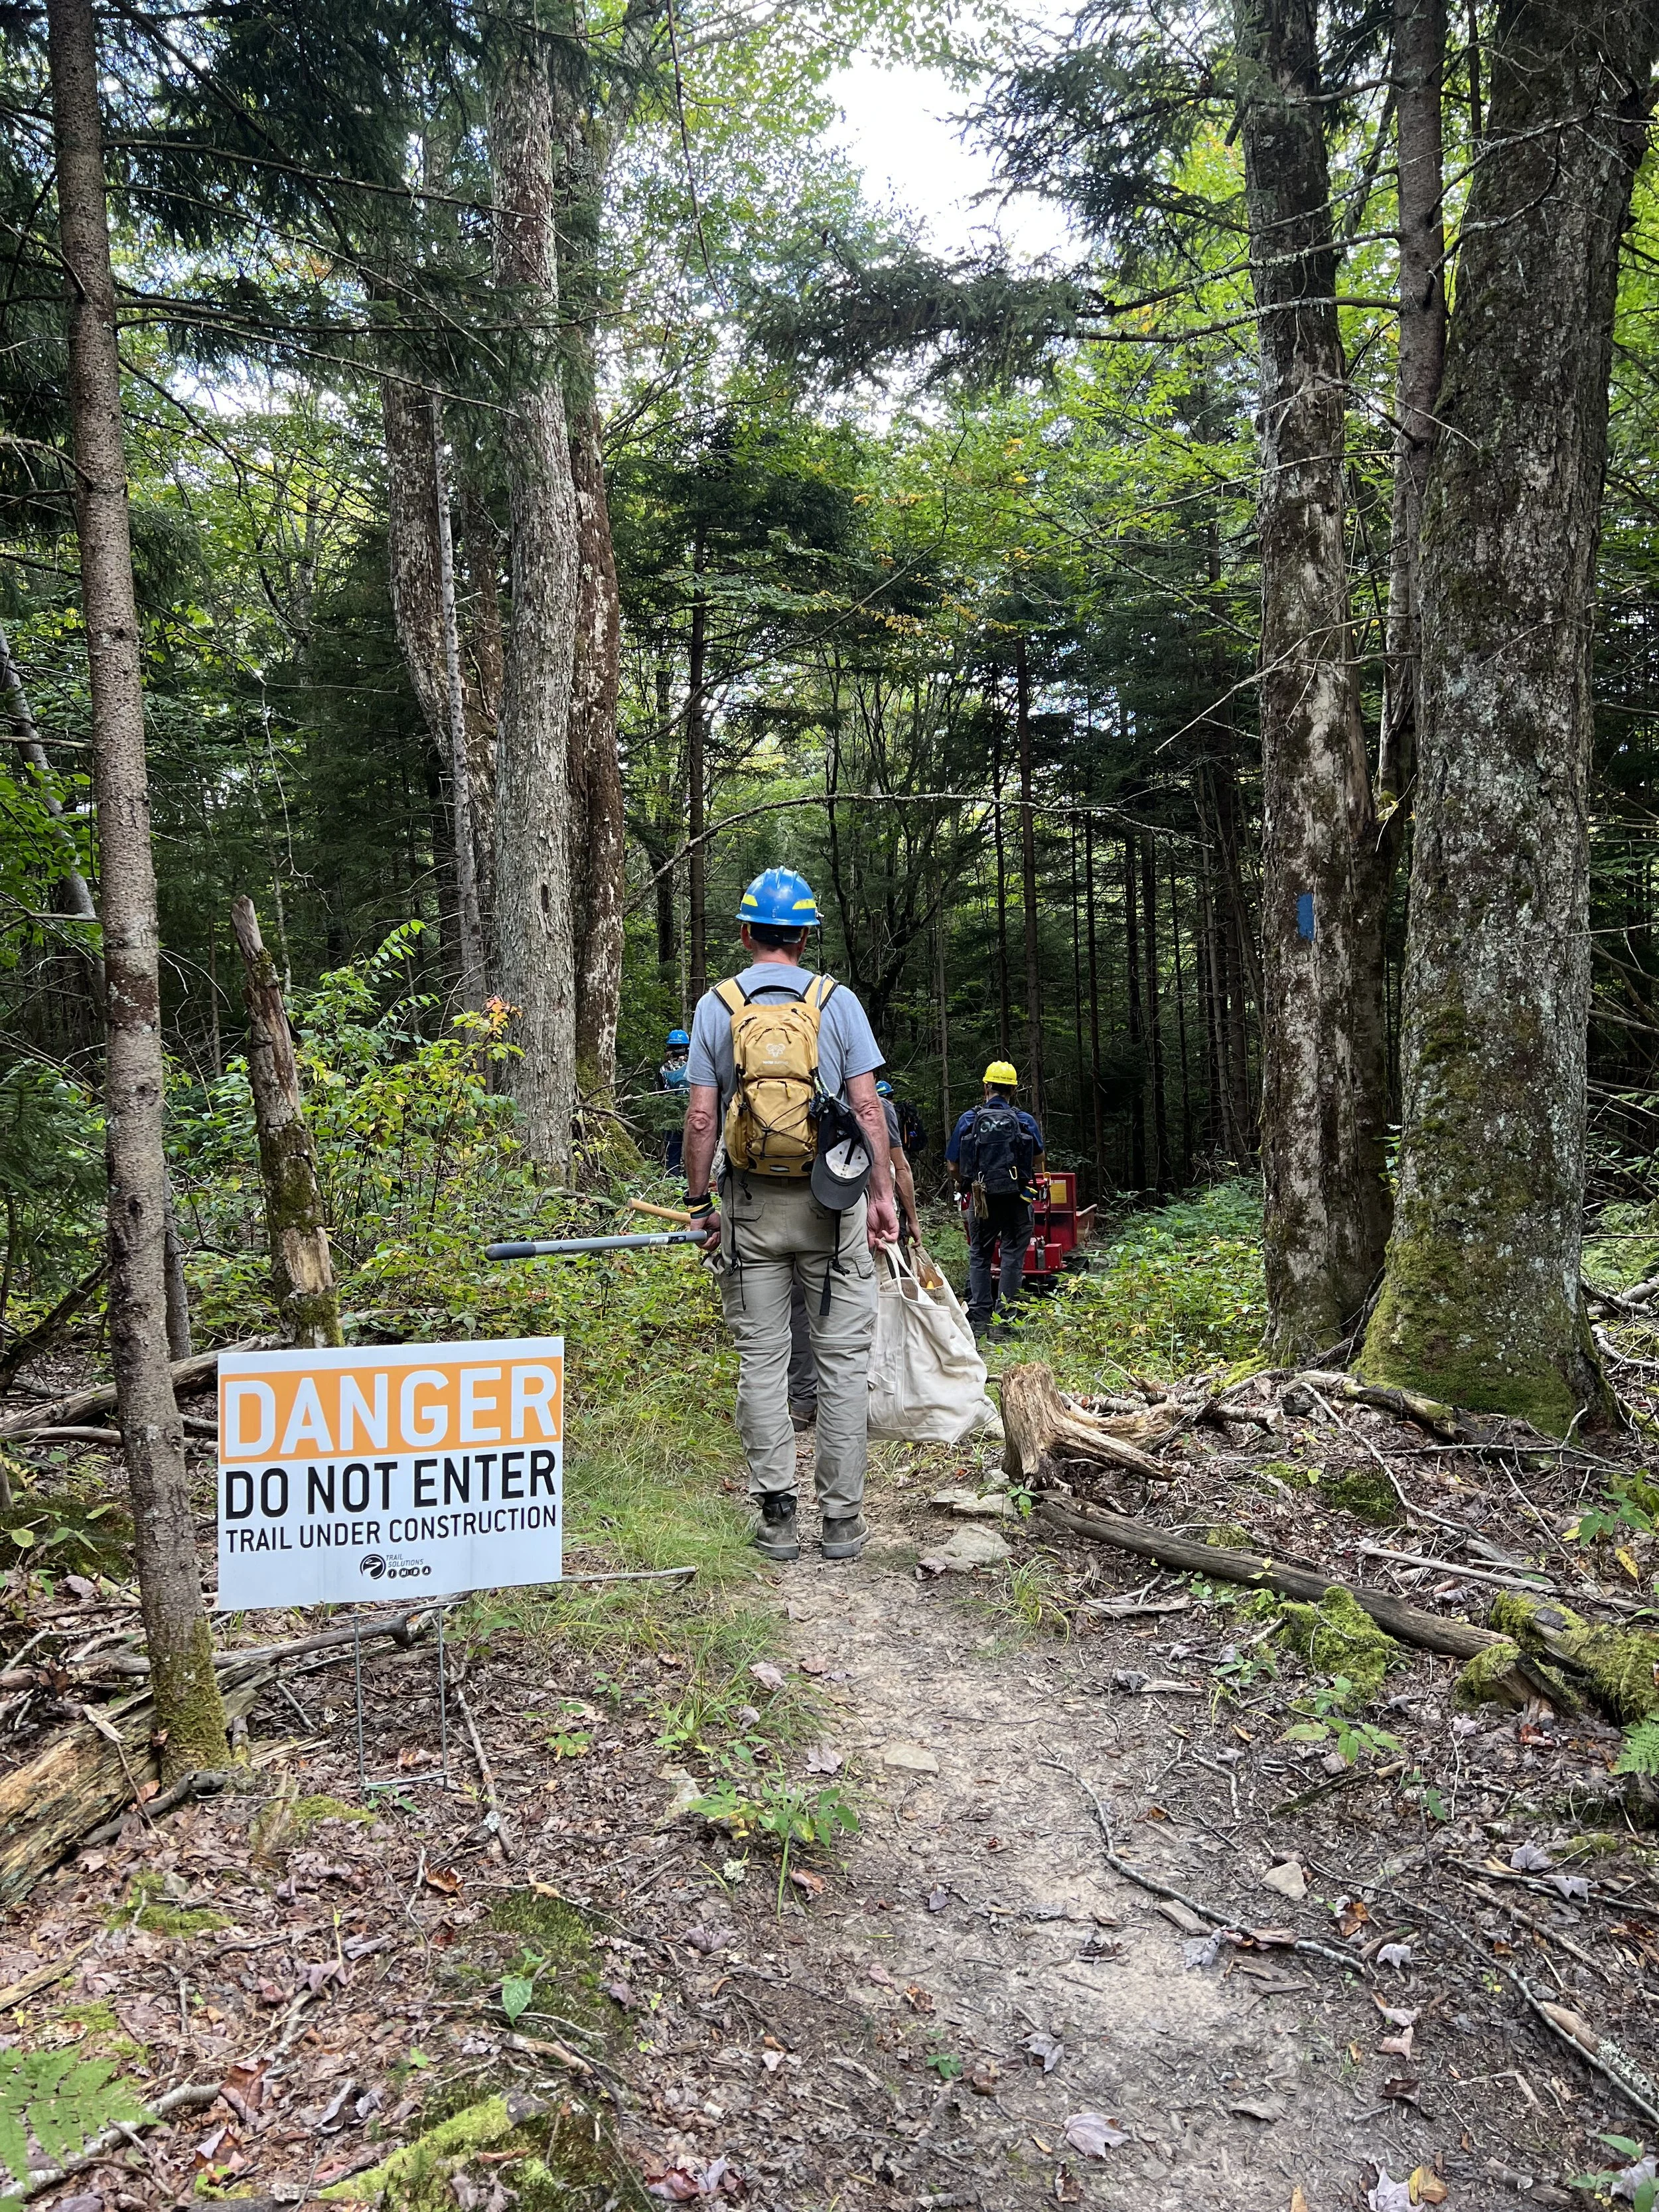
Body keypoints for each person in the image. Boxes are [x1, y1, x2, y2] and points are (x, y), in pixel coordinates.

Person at [683, 868, 899, 1563]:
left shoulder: (716, 1006)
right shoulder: (837, 1003)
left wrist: (699, 1202)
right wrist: (881, 1197)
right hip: (830, 1209)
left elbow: (699, 1117)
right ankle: (841, 1522)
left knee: (762, 1364)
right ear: (805, 935)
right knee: (839, 1367)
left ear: (746, 932)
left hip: (748, 1210)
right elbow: (868, 1110)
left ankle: (777, 1517)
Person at [788, 1078, 921, 1433]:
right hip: (851, 1215)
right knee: (862, 1302)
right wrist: (908, 1217)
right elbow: (900, 1168)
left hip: (784, 1208)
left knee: (799, 1304)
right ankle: (857, 1401)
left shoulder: (787, 1096)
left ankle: (803, 1401)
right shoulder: (877, 1109)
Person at [946, 1061, 1045, 1340]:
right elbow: (1038, 1160)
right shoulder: (1024, 1120)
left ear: (986, 1086)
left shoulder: (969, 1119)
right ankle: (1006, 1324)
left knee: (980, 1254)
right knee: (1012, 1256)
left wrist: (966, 1183)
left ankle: (978, 1322)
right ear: (1013, 1089)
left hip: (982, 1199)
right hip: (1017, 1199)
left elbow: (953, 1164)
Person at [658, 1027, 691, 1174]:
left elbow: (659, 1093)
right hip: (695, 1112)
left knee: (674, 1148)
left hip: (672, 1115)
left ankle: (673, 1176)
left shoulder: (664, 1069)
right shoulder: (696, 1064)